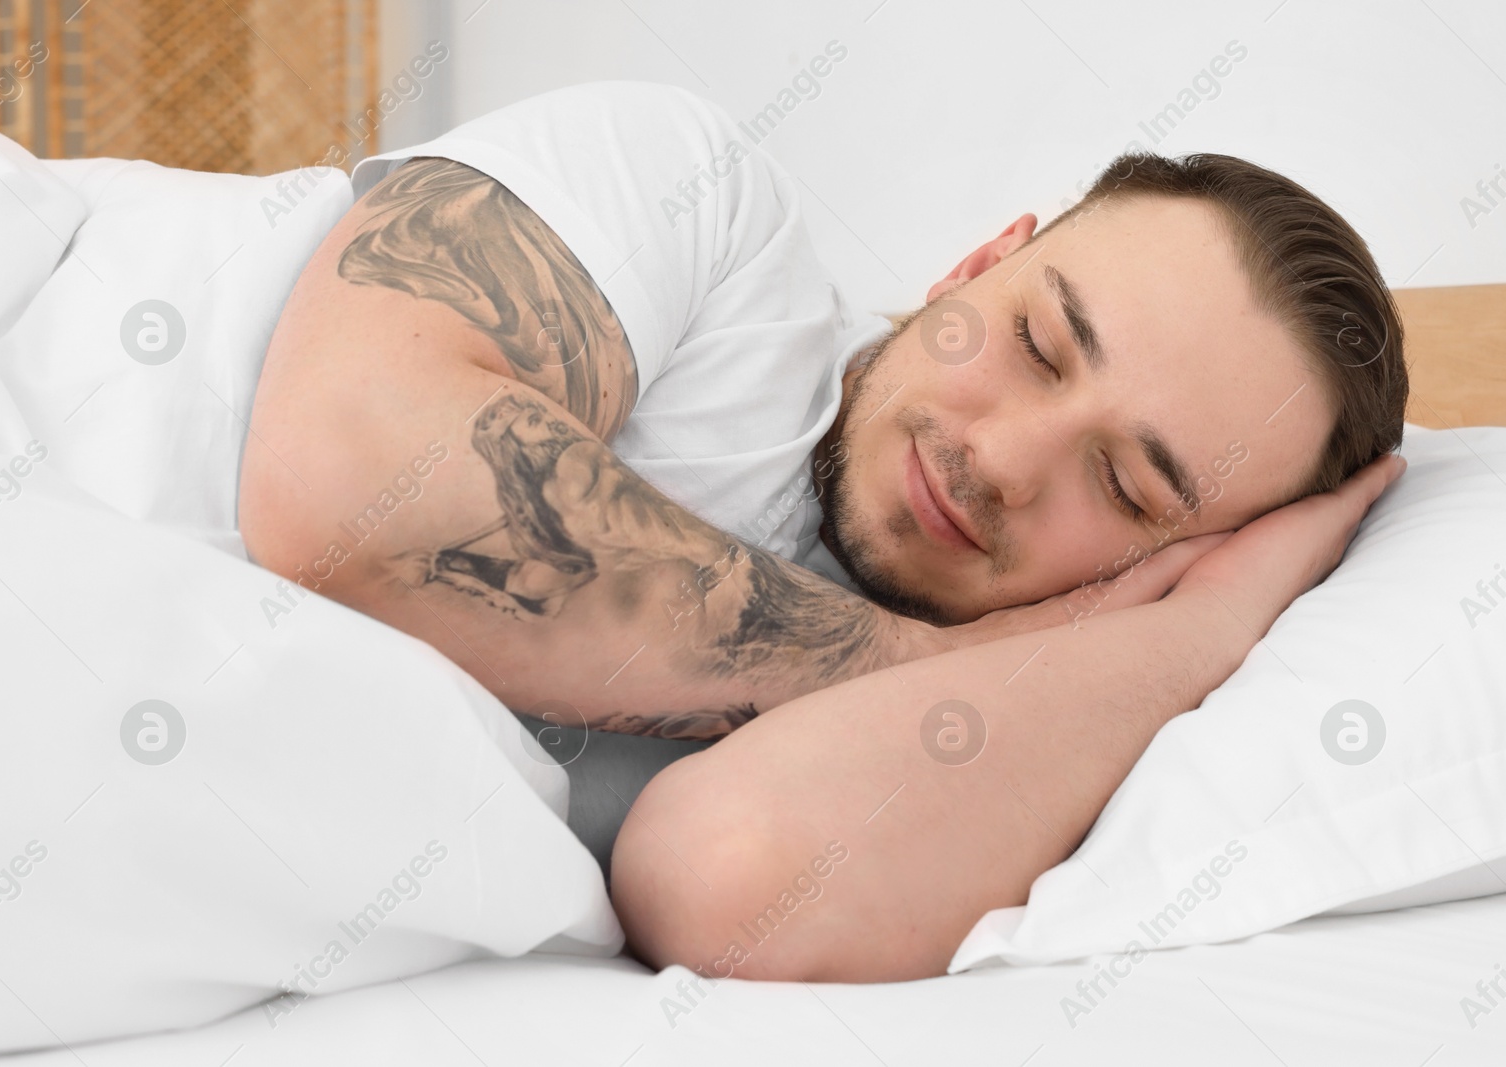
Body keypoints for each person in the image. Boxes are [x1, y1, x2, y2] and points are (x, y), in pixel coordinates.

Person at [238, 80, 1409, 982]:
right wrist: (925, 662)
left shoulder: (1029, 728)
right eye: (1038, 343)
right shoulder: (695, 198)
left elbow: (727, 879)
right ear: (979, 263)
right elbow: (343, 484)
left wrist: (1201, 632)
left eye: (1126, 490)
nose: (1000, 461)